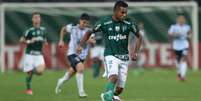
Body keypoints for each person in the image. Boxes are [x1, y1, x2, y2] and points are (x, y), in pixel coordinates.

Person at [77, 1, 142, 101]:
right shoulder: (105, 22)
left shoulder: (129, 22)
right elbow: (89, 32)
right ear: (115, 11)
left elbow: (139, 36)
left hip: (124, 57)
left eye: (126, 13)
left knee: (119, 89)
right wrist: (80, 45)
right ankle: (107, 98)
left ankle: (108, 95)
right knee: (114, 77)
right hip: (110, 55)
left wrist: (135, 52)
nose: (124, 15)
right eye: (122, 12)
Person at [55, 13, 95, 97]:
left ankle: (60, 81)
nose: (85, 24)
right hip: (72, 53)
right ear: (80, 21)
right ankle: (81, 92)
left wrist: (91, 42)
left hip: (82, 56)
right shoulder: (72, 27)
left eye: (87, 23)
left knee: (70, 73)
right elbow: (63, 29)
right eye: (84, 22)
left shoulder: (89, 31)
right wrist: (61, 40)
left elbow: (93, 42)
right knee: (80, 68)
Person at [20, 12, 47, 95]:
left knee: (40, 72)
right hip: (30, 55)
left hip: (39, 55)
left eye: (38, 17)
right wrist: (29, 41)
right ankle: (28, 89)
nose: (36, 19)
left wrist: (45, 43)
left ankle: (31, 71)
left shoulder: (43, 30)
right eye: (35, 17)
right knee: (30, 73)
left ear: (40, 19)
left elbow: (45, 41)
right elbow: (21, 40)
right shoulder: (29, 31)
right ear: (32, 19)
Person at [168, 14, 191, 81]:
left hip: (184, 45)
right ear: (177, 20)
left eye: (182, 19)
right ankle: (179, 74)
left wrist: (189, 36)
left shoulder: (187, 27)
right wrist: (176, 35)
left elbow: (189, 35)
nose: (181, 20)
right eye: (180, 19)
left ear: (184, 20)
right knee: (178, 61)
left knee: (183, 59)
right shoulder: (173, 27)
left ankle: (183, 76)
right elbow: (170, 34)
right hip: (176, 46)